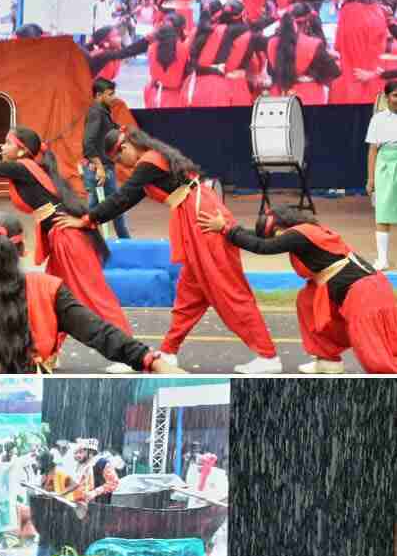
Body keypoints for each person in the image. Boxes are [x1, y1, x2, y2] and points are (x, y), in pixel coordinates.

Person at [85, 128, 281, 375]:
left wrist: (87, 218)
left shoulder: (148, 162)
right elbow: (127, 199)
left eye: (117, 160)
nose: (120, 166)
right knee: (190, 292)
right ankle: (169, 351)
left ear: (125, 148)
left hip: (202, 219)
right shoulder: (153, 160)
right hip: (195, 216)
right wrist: (91, 218)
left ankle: (268, 355)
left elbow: (122, 198)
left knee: (229, 289)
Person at [0, 211, 176, 375]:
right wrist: (150, 359)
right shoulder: (51, 289)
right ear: (23, 249)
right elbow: (99, 332)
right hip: (40, 386)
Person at [0, 127, 133, 341]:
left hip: (68, 238)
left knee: (94, 294)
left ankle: (126, 342)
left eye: (8, 142)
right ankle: (48, 350)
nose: (3, 147)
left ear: (22, 150)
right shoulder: (31, 169)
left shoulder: (25, 167)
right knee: (53, 296)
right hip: (60, 238)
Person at [198, 203, 396, 375]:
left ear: (282, 226)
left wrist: (226, 229)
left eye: (275, 234)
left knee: (376, 357)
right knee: (307, 300)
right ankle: (327, 362)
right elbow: (264, 240)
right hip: (352, 289)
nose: (276, 240)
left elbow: (263, 247)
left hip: (366, 293)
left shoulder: (299, 234)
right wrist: (228, 228)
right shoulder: (302, 232)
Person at [295, 0, 388, 104]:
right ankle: (374, 103)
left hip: (354, 16)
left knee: (350, 67)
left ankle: (348, 107)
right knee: (371, 64)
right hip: (376, 14)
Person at [81, 75, 133, 239]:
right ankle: (124, 243)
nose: (114, 97)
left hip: (103, 168)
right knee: (112, 208)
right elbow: (88, 143)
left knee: (102, 209)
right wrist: (100, 168)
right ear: (98, 95)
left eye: (113, 93)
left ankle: (121, 242)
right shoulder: (96, 113)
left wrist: (120, 129)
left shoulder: (103, 112)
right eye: (110, 94)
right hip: (101, 170)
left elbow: (104, 133)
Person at [187, 0, 263, 108]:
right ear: (242, 15)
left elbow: (189, 56)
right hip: (237, 88)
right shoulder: (247, 34)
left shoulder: (202, 31)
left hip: (202, 86)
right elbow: (254, 65)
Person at [267, 5, 340, 105]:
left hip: (279, 96)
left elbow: (270, 71)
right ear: (307, 23)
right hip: (308, 97)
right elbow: (334, 72)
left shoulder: (271, 43)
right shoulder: (313, 44)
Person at [366, 79, 397, 270]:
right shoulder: (378, 119)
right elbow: (373, 151)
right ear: (387, 98)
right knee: (383, 213)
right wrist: (371, 179)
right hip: (385, 166)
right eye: (395, 95)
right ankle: (383, 259)